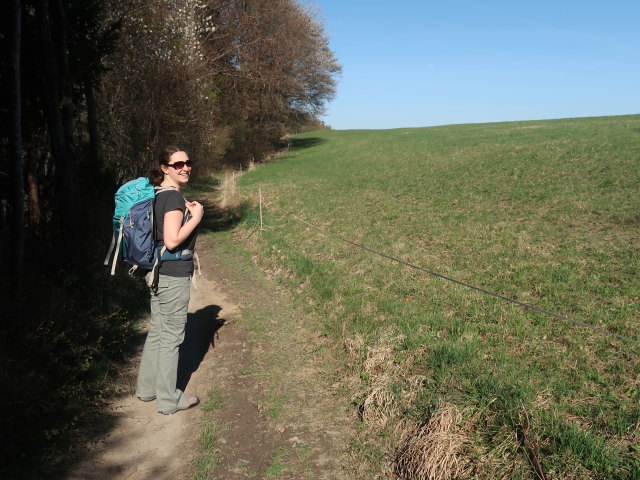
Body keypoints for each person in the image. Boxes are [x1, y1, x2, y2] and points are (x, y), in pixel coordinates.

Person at [135, 145, 204, 414]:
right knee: (171, 337)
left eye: (187, 162)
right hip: (172, 275)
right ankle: (168, 400)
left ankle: (146, 389)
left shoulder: (157, 195)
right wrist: (196, 217)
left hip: (156, 271)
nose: (185, 167)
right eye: (177, 164)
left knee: (159, 331)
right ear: (164, 169)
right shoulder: (173, 198)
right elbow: (173, 240)